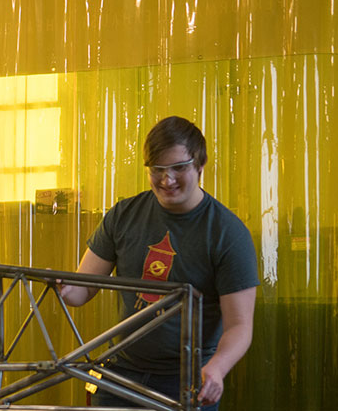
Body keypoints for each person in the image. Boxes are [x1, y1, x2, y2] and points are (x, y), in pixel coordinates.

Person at [57, 116, 258, 410]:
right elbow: (82, 290)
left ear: (200, 165)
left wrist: (217, 368)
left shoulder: (227, 233)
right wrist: (62, 287)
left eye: (179, 168)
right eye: (158, 169)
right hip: (121, 372)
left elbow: (239, 326)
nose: (167, 180)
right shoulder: (124, 215)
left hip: (188, 379)